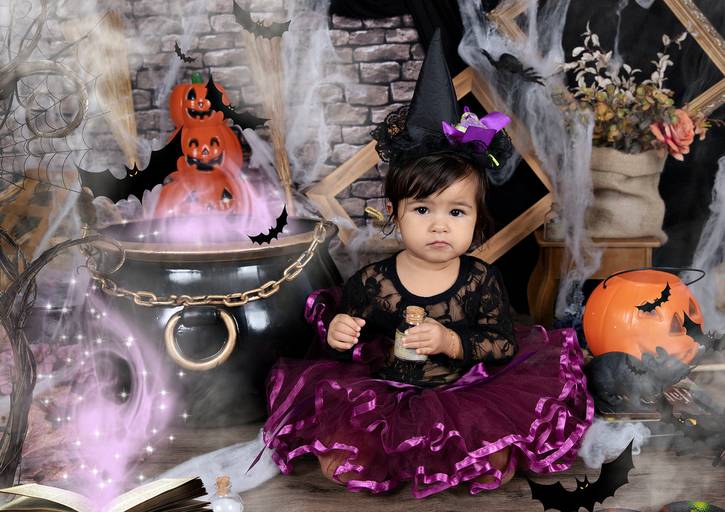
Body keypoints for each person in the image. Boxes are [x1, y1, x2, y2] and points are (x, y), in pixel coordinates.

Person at [261, 30, 593, 498]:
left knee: (492, 457)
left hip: (463, 389)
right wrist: (339, 333)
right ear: (395, 214)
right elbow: (347, 345)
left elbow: (501, 344)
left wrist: (450, 340)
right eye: (422, 209)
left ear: (476, 219)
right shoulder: (373, 281)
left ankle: (452, 456)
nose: (439, 226)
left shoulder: (479, 280)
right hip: (390, 390)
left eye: (456, 212)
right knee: (342, 457)